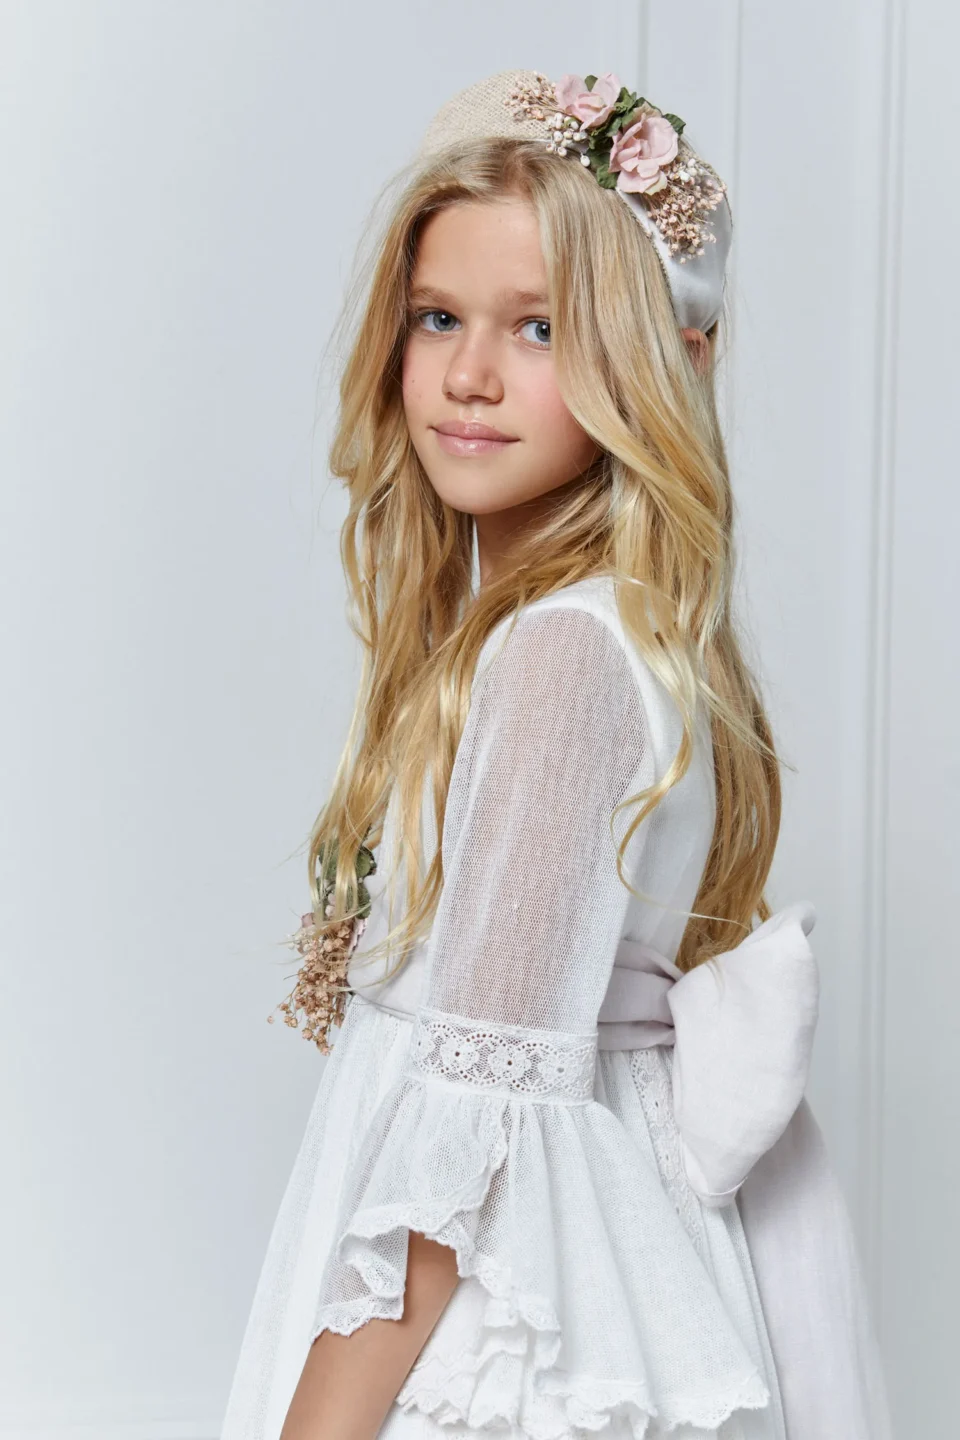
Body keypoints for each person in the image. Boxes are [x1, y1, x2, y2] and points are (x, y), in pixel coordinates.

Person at [220, 69, 893, 1440]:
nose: (470, 374)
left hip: (495, 1304)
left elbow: (476, 1123)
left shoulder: (563, 657)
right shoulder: (598, 632)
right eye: (439, 317)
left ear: (655, 360)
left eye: (541, 328)